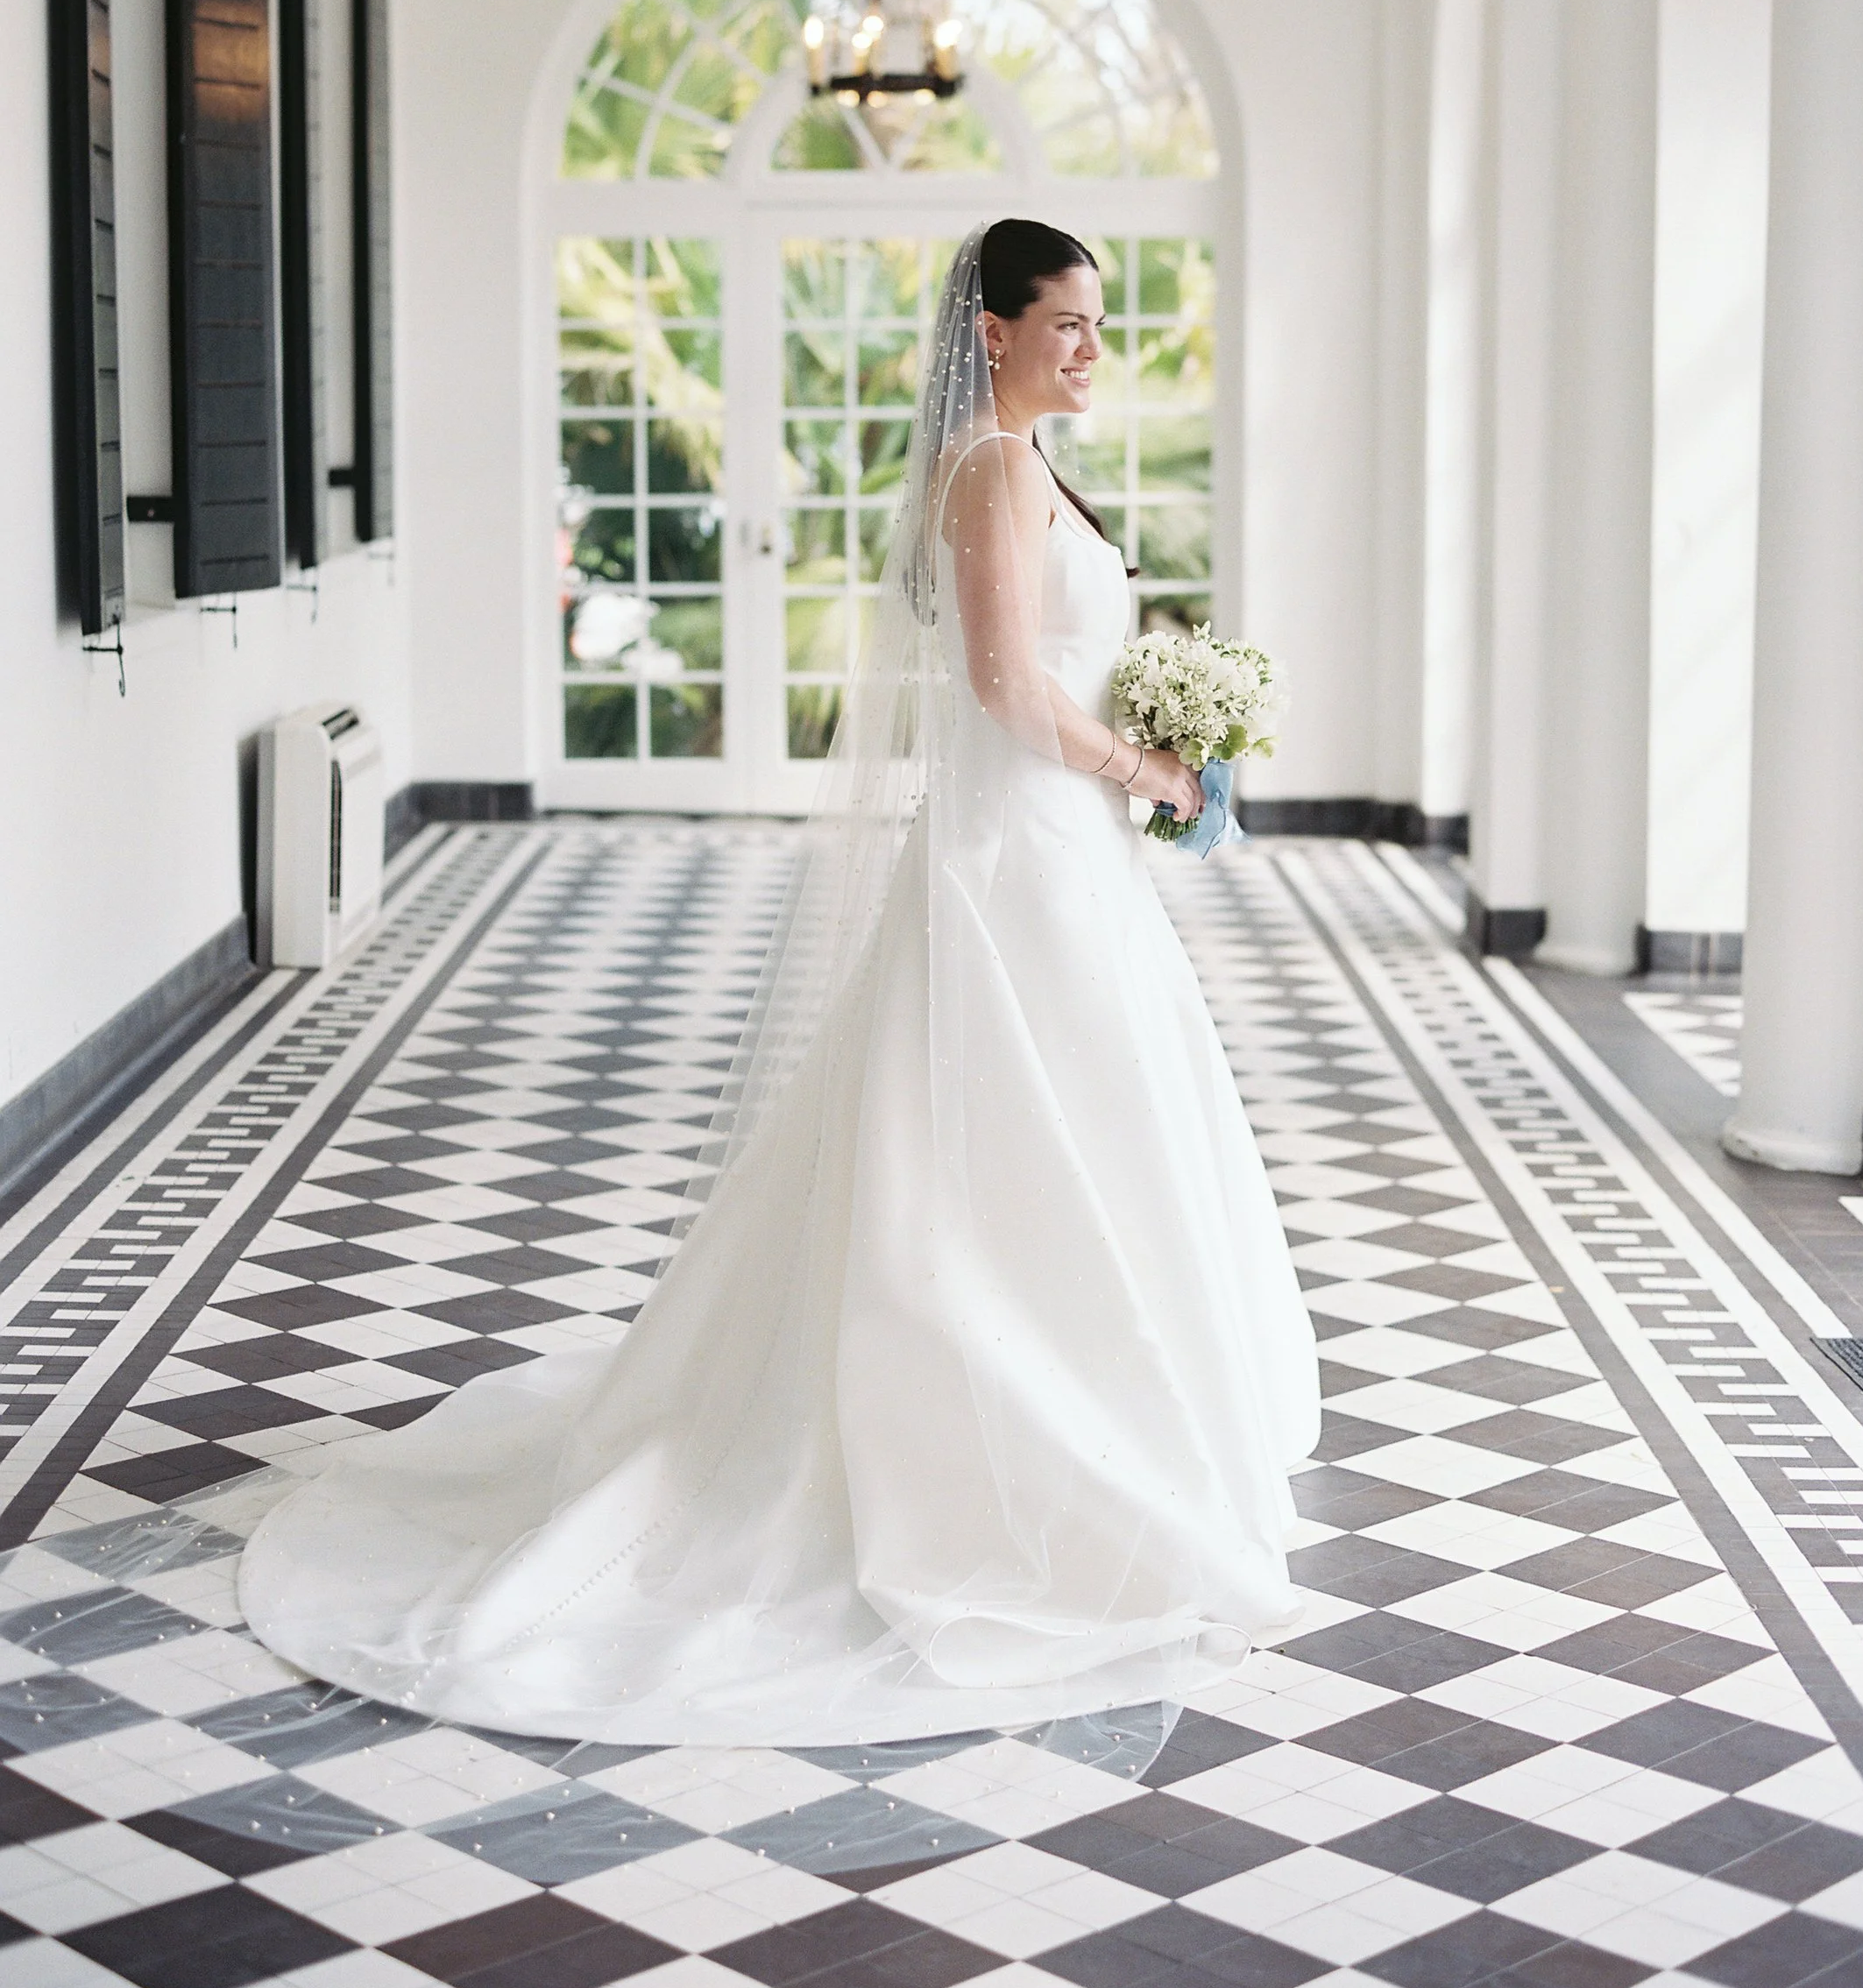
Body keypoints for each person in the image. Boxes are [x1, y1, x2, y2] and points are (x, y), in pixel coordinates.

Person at [237, 221, 1320, 1745]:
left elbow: (1050, 672)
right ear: (994, 331)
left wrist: (1158, 743)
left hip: (1062, 852)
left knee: (1088, 1119)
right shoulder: (989, 470)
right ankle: (1011, 1431)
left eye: (1098, 322)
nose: (1093, 347)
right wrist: (1156, 771)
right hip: (1020, 859)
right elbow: (1008, 687)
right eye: (1068, 322)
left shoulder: (1027, 466)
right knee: (1022, 1124)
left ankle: (1104, 1399)